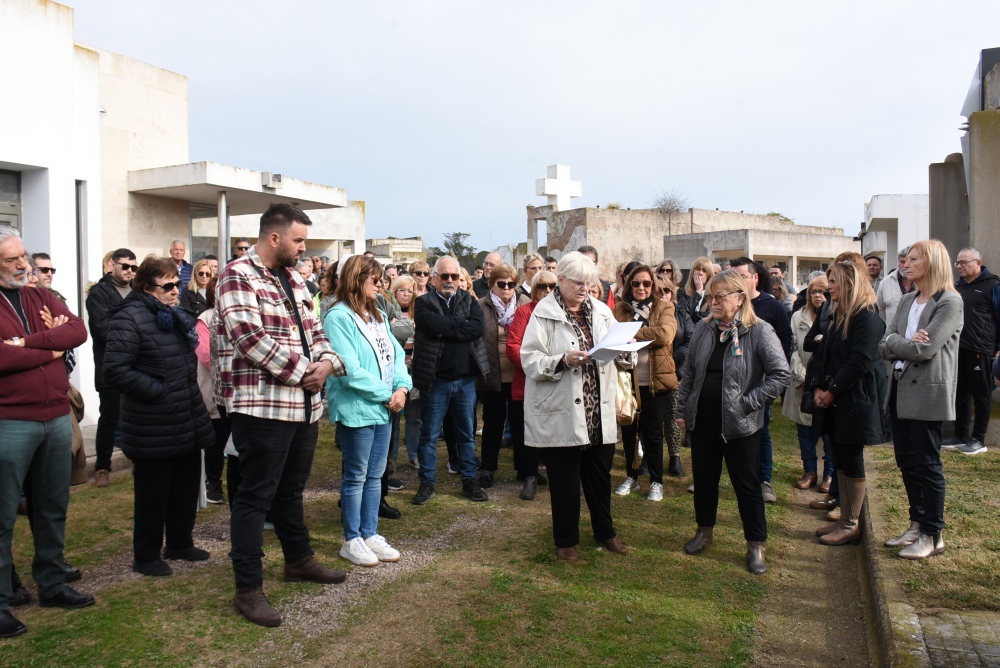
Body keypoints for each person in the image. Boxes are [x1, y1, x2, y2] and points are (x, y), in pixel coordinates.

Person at [217, 203, 348, 627]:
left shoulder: (294, 278)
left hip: (304, 409)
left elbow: (317, 331)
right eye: (298, 240)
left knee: (291, 491)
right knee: (254, 497)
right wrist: (303, 374)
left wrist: (327, 365)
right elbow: (248, 338)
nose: (303, 248)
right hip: (262, 408)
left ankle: (298, 560)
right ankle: (248, 589)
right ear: (275, 238)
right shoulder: (236, 275)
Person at [0, 226, 92, 638]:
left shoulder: (39, 294)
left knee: (52, 506)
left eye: (23, 256)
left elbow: (76, 331)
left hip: (55, 417)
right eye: (12, 260)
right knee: (2, 517)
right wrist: (48, 347)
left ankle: (52, 584)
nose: (24, 265)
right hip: (10, 422)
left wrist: (26, 342)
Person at [103, 255, 214, 576]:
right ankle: (146, 555)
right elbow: (115, 370)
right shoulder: (130, 317)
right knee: (153, 495)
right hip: (154, 422)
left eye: (177, 283)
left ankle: (180, 543)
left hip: (185, 417)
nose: (175, 290)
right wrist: (158, 391)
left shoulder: (173, 315)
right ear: (146, 287)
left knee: (184, 487)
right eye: (167, 285)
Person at [676, 270, 789, 574]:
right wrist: (682, 409)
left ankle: (756, 545)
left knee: (747, 486)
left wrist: (747, 404)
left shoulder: (759, 331)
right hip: (704, 421)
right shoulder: (704, 329)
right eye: (710, 296)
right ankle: (704, 531)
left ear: (740, 298)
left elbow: (781, 374)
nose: (712, 302)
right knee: (704, 481)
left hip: (740, 426)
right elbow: (689, 373)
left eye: (719, 296)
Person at [520, 252, 628, 561]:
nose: (584, 289)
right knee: (565, 480)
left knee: (600, 476)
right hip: (563, 410)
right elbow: (530, 360)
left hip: (598, 410)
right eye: (578, 283)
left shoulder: (600, 311)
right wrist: (563, 360)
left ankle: (606, 532)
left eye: (589, 283)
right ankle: (565, 540)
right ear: (562, 280)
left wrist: (623, 352)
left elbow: (613, 349)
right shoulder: (543, 313)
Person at [323, 255, 411, 567]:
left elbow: (397, 354)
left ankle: (370, 532)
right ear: (355, 280)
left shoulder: (378, 316)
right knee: (357, 474)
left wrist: (402, 387)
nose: (380, 285)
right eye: (373, 279)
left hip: (385, 405)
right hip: (359, 406)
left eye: (380, 279)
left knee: (376, 473)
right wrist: (388, 393)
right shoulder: (338, 317)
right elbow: (348, 367)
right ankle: (352, 538)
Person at [879, 240, 962, 559]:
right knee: (906, 461)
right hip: (899, 389)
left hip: (928, 393)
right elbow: (883, 344)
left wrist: (898, 343)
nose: (906, 264)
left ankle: (932, 533)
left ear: (932, 264)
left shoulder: (949, 302)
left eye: (914, 259)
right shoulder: (908, 299)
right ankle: (916, 523)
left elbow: (924, 349)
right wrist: (902, 341)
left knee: (927, 463)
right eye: (906, 259)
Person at [811, 259, 886, 546]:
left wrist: (832, 391)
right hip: (839, 399)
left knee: (851, 458)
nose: (828, 288)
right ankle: (844, 518)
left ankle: (851, 523)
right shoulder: (839, 314)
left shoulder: (866, 316)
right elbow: (825, 353)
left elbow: (860, 361)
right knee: (841, 456)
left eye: (833, 282)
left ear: (850, 284)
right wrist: (819, 386)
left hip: (855, 399)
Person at [410, 256, 490, 505]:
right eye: (444, 276)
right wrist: (459, 325)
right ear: (434, 278)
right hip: (436, 381)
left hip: (465, 381)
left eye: (454, 276)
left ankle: (469, 480)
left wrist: (445, 329)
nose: (449, 280)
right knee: (429, 435)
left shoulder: (469, 300)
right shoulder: (423, 302)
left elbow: (477, 329)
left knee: (466, 434)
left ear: (459, 278)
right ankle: (427, 482)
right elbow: (427, 323)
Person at [730, 258, 793, 504]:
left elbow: (785, 341)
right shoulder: (730, 304)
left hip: (760, 380)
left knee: (761, 428)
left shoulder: (771, 306)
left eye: (742, 276)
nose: (737, 281)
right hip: (732, 380)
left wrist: (773, 372)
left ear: (755, 277)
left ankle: (764, 479)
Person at [613, 264, 678, 501]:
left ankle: (656, 480)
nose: (641, 287)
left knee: (652, 433)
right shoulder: (620, 309)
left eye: (646, 283)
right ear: (629, 285)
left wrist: (633, 335)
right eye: (636, 283)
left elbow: (665, 334)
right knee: (629, 431)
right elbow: (611, 334)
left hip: (655, 381)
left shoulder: (664, 305)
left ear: (653, 285)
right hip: (627, 379)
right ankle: (631, 476)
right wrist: (623, 336)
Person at [86, 247, 137, 488]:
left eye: (133, 267)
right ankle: (102, 467)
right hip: (112, 366)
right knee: (109, 417)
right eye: (125, 266)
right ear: (111, 265)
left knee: (137, 415)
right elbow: (102, 330)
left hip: (138, 365)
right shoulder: (99, 293)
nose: (129, 271)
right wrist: (137, 337)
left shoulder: (138, 292)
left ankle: (139, 458)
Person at [476, 264, 530, 489]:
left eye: (511, 284)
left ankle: (526, 470)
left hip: (521, 374)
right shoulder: (480, 306)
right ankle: (488, 468)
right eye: (502, 284)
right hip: (493, 375)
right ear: (492, 284)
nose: (507, 289)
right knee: (493, 424)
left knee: (521, 424)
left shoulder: (525, 304)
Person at [944, 247, 1000, 455]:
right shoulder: (957, 287)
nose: (959, 266)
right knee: (960, 393)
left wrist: (998, 349)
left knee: (981, 394)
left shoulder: (992, 286)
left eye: (964, 262)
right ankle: (961, 435)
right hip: (958, 347)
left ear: (978, 263)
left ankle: (979, 439)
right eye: (957, 263)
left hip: (981, 348)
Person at [506, 271, 556, 500]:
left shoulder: (562, 313)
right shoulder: (524, 312)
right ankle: (529, 476)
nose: (547, 291)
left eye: (552, 286)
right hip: (527, 382)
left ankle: (553, 473)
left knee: (553, 431)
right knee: (525, 432)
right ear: (534, 289)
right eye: (542, 286)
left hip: (557, 382)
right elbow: (513, 346)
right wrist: (537, 368)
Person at [783, 274, 834, 491]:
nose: (817, 296)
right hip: (801, 381)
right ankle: (810, 471)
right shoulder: (797, 317)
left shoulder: (835, 316)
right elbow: (793, 348)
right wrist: (802, 375)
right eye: (813, 291)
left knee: (830, 434)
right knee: (803, 430)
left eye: (822, 291)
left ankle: (829, 474)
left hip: (829, 385)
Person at [194, 277, 230, 506]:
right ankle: (213, 484)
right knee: (216, 440)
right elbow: (207, 356)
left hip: (238, 390)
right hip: (214, 389)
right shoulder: (204, 320)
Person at [390, 275, 421, 470]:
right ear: (395, 292)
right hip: (394, 373)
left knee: (415, 417)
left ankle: (414, 455)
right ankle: (391, 459)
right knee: (393, 418)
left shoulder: (419, 313)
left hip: (414, 371)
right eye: (402, 290)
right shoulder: (387, 312)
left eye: (410, 290)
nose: (406, 294)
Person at [876, 247, 915, 327]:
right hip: (892, 335)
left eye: (909, 261)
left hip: (918, 336)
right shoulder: (885, 283)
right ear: (898, 262)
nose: (905, 265)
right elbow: (881, 310)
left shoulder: (924, 282)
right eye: (902, 262)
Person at [685, 256, 715, 322]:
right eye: (698, 269)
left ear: (709, 275)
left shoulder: (713, 295)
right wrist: (698, 291)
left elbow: (706, 317)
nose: (700, 273)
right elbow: (683, 313)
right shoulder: (682, 292)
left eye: (704, 271)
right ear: (693, 272)